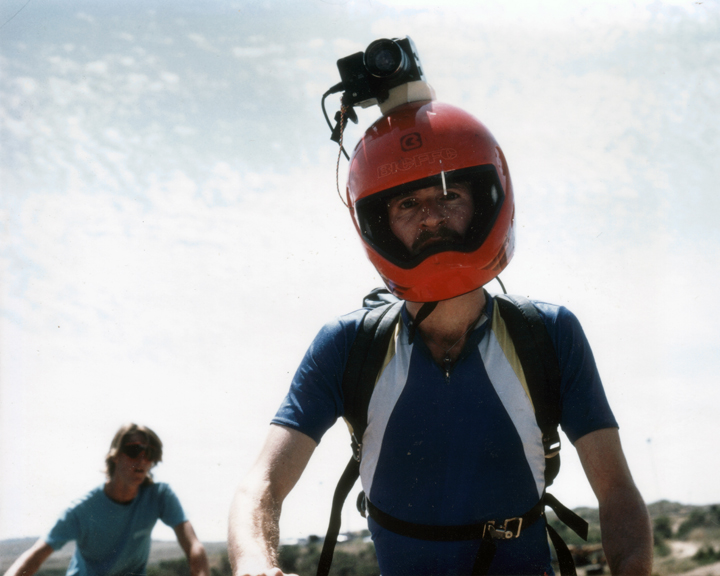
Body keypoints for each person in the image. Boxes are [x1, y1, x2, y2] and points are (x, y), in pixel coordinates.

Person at [228, 97, 653, 575]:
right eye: (407, 203)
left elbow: (616, 491)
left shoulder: (549, 335)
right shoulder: (347, 346)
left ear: (483, 202)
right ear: (380, 223)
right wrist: (256, 567)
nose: (430, 216)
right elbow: (260, 485)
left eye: (449, 194)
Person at [3, 423, 210, 576]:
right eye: (134, 450)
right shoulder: (82, 510)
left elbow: (194, 545)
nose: (142, 460)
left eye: (150, 454)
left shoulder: (159, 496)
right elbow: (36, 556)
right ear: (115, 455)